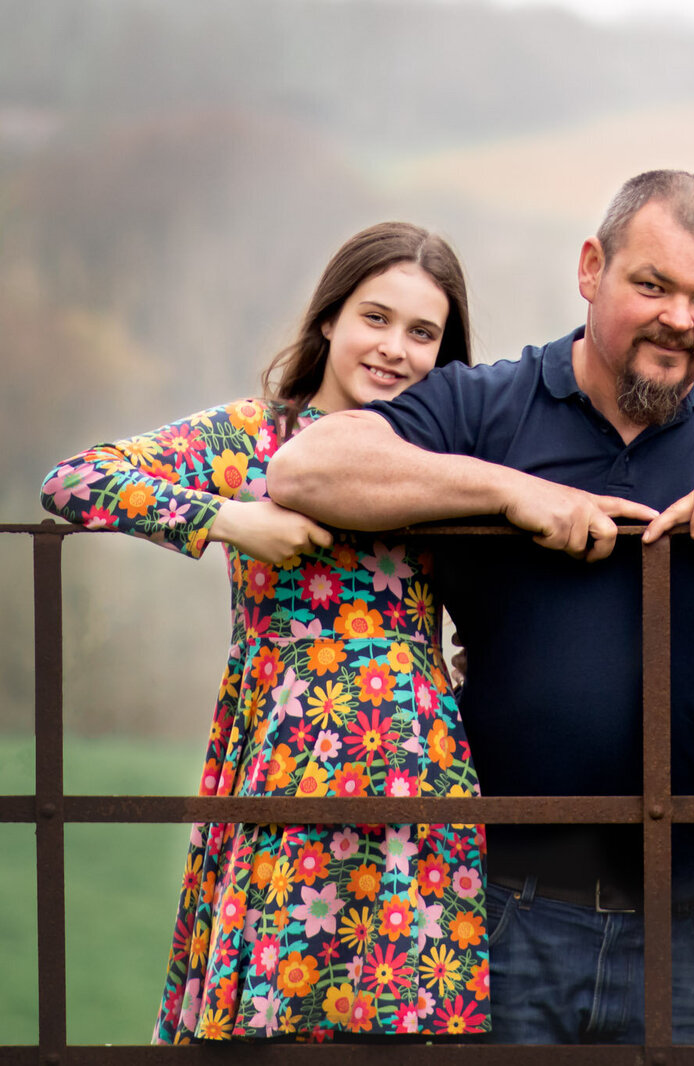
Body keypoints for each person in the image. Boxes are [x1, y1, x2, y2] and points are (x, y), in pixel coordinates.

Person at [265, 170, 694, 1045]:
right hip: (500, 908)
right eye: (651, 286)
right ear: (590, 269)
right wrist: (509, 494)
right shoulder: (492, 405)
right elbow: (307, 469)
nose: (679, 319)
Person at [37, 222, 492, 1041]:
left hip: (416, 777)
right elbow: (74, 480)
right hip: (285, 763)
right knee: (270, 1026)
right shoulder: (254, 435)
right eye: (375, 318)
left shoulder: (448, 450)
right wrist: (230, 520)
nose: (395, 348)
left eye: (423, 333)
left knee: (410, 1025)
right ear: (330, 319)